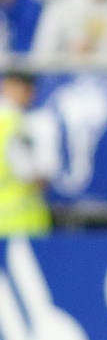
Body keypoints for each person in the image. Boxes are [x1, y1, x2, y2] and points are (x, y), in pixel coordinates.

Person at [0, 69, 51, 237]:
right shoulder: (15, 124)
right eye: (27, 89)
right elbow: (27, 172)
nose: (32, 95)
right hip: (18, 223)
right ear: (9, 87)